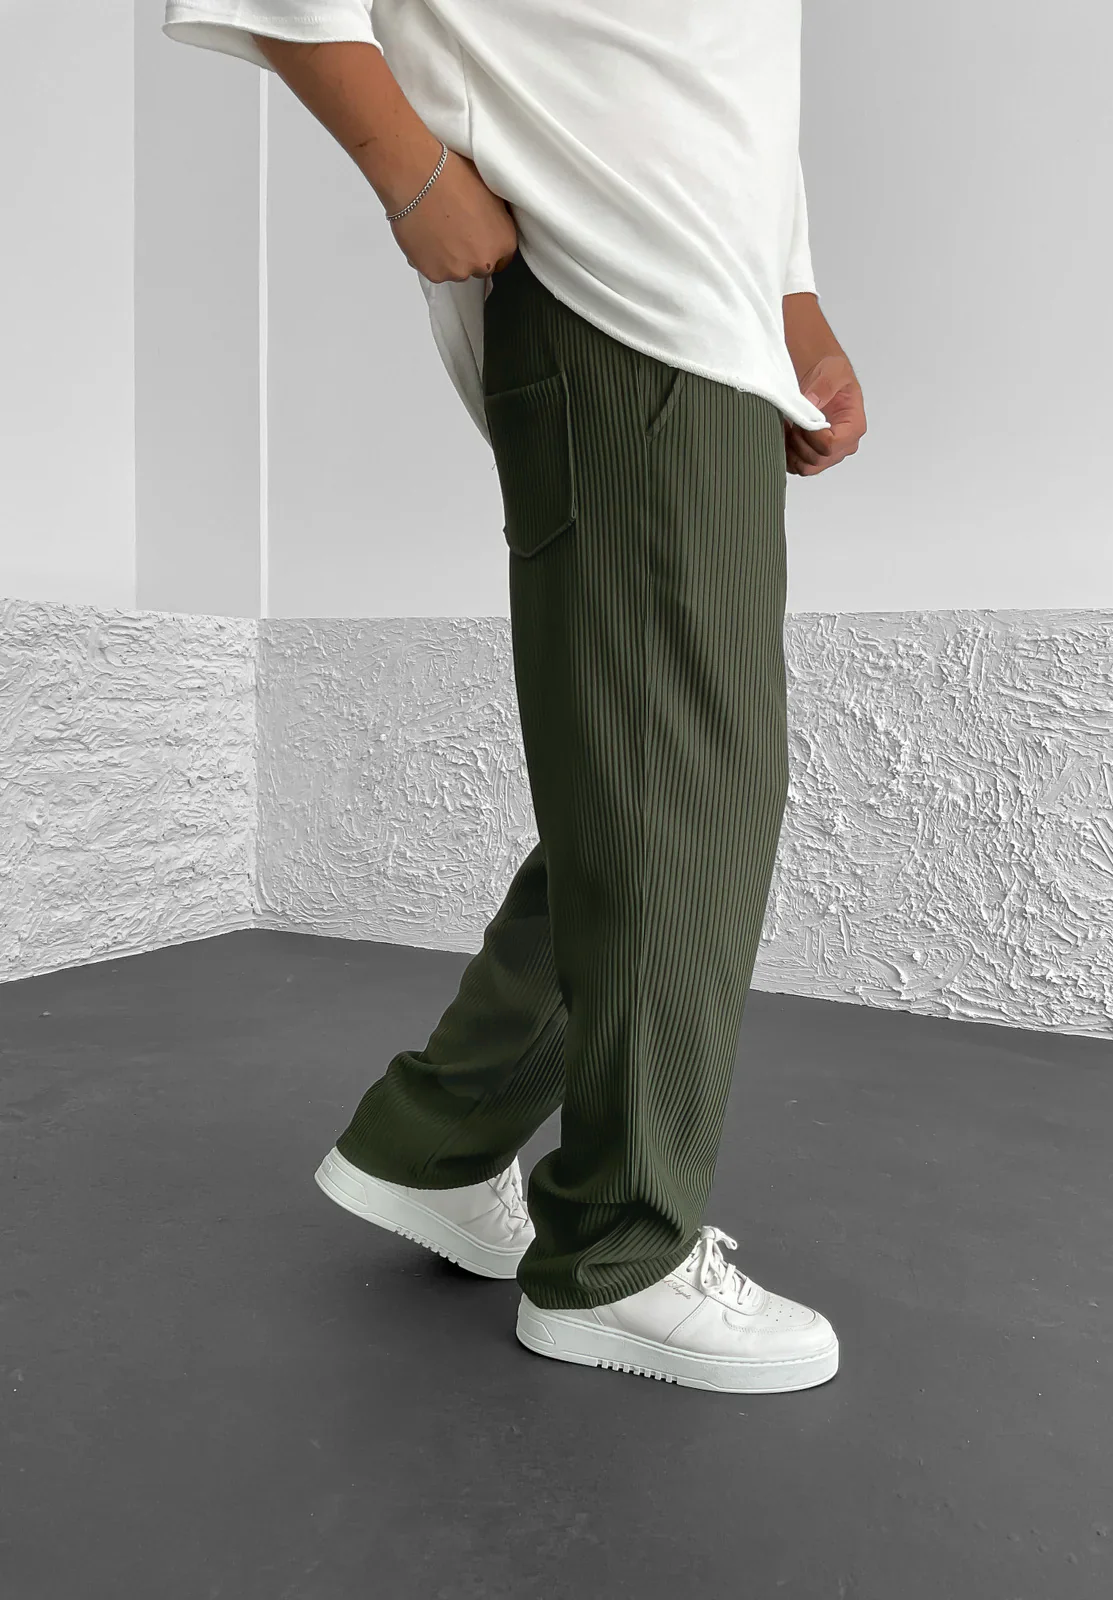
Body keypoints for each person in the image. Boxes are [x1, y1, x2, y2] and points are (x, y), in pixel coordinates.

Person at [164, 0, 867, 1396]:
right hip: (619, 296)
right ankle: (620, 1262)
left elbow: (722, 59)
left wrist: (788, 301)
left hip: (702, 316)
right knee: (683, 788)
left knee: (649, 784)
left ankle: (432, 1144)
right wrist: (409, 170)